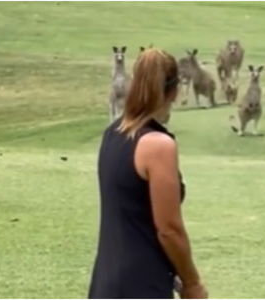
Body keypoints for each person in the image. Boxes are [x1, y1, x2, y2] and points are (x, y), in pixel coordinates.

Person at [88, 48, 208, 299]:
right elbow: (169, 229)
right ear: (173, 92)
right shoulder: (158, 145)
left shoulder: (113, 133)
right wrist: (192, 282)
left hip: (107, 281)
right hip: (141, 284)